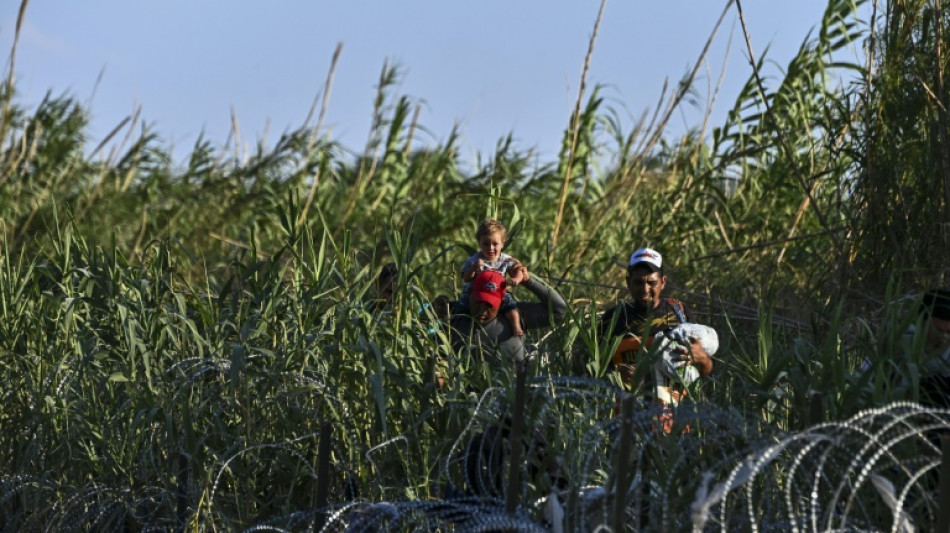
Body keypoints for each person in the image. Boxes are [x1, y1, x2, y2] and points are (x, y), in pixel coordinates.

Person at [599, 247, 714, 408]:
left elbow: (707, 373)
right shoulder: (613, 318)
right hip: (627, 416)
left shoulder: (679, 313)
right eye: (638, 282)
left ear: (663, 282)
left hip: (676, 416)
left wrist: (702, 358)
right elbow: (593, 369)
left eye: (651, 283)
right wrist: (617, 375)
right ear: (628, 282)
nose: (645, 289)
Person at [449, 268, 567, 366]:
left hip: (515, 386)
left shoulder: (515, 316)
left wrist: (528, 281)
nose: (482, 310)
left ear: (502, 301)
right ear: (469, 294)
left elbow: (559, 311)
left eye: (490, 305)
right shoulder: (454, 318)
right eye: (478, 302)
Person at [456, 219, 528, 336]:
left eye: (495, 244)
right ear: (479, 243)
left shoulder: (505, 260)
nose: (490, 248)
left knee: (511, 307)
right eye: (486, 244)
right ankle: (456, 327)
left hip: (498, 292)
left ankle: (516, 327)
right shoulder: (474, 260)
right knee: (462, 306)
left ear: (503, 243)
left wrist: (516, 279)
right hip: (476, 292)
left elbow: (519, 270)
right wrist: (474, 268)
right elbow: (466, 278)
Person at [910, 288, 950, 408]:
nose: (943, 338)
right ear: (920, 323)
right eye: (937, 330)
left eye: (949, 332)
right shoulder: (898, 344)